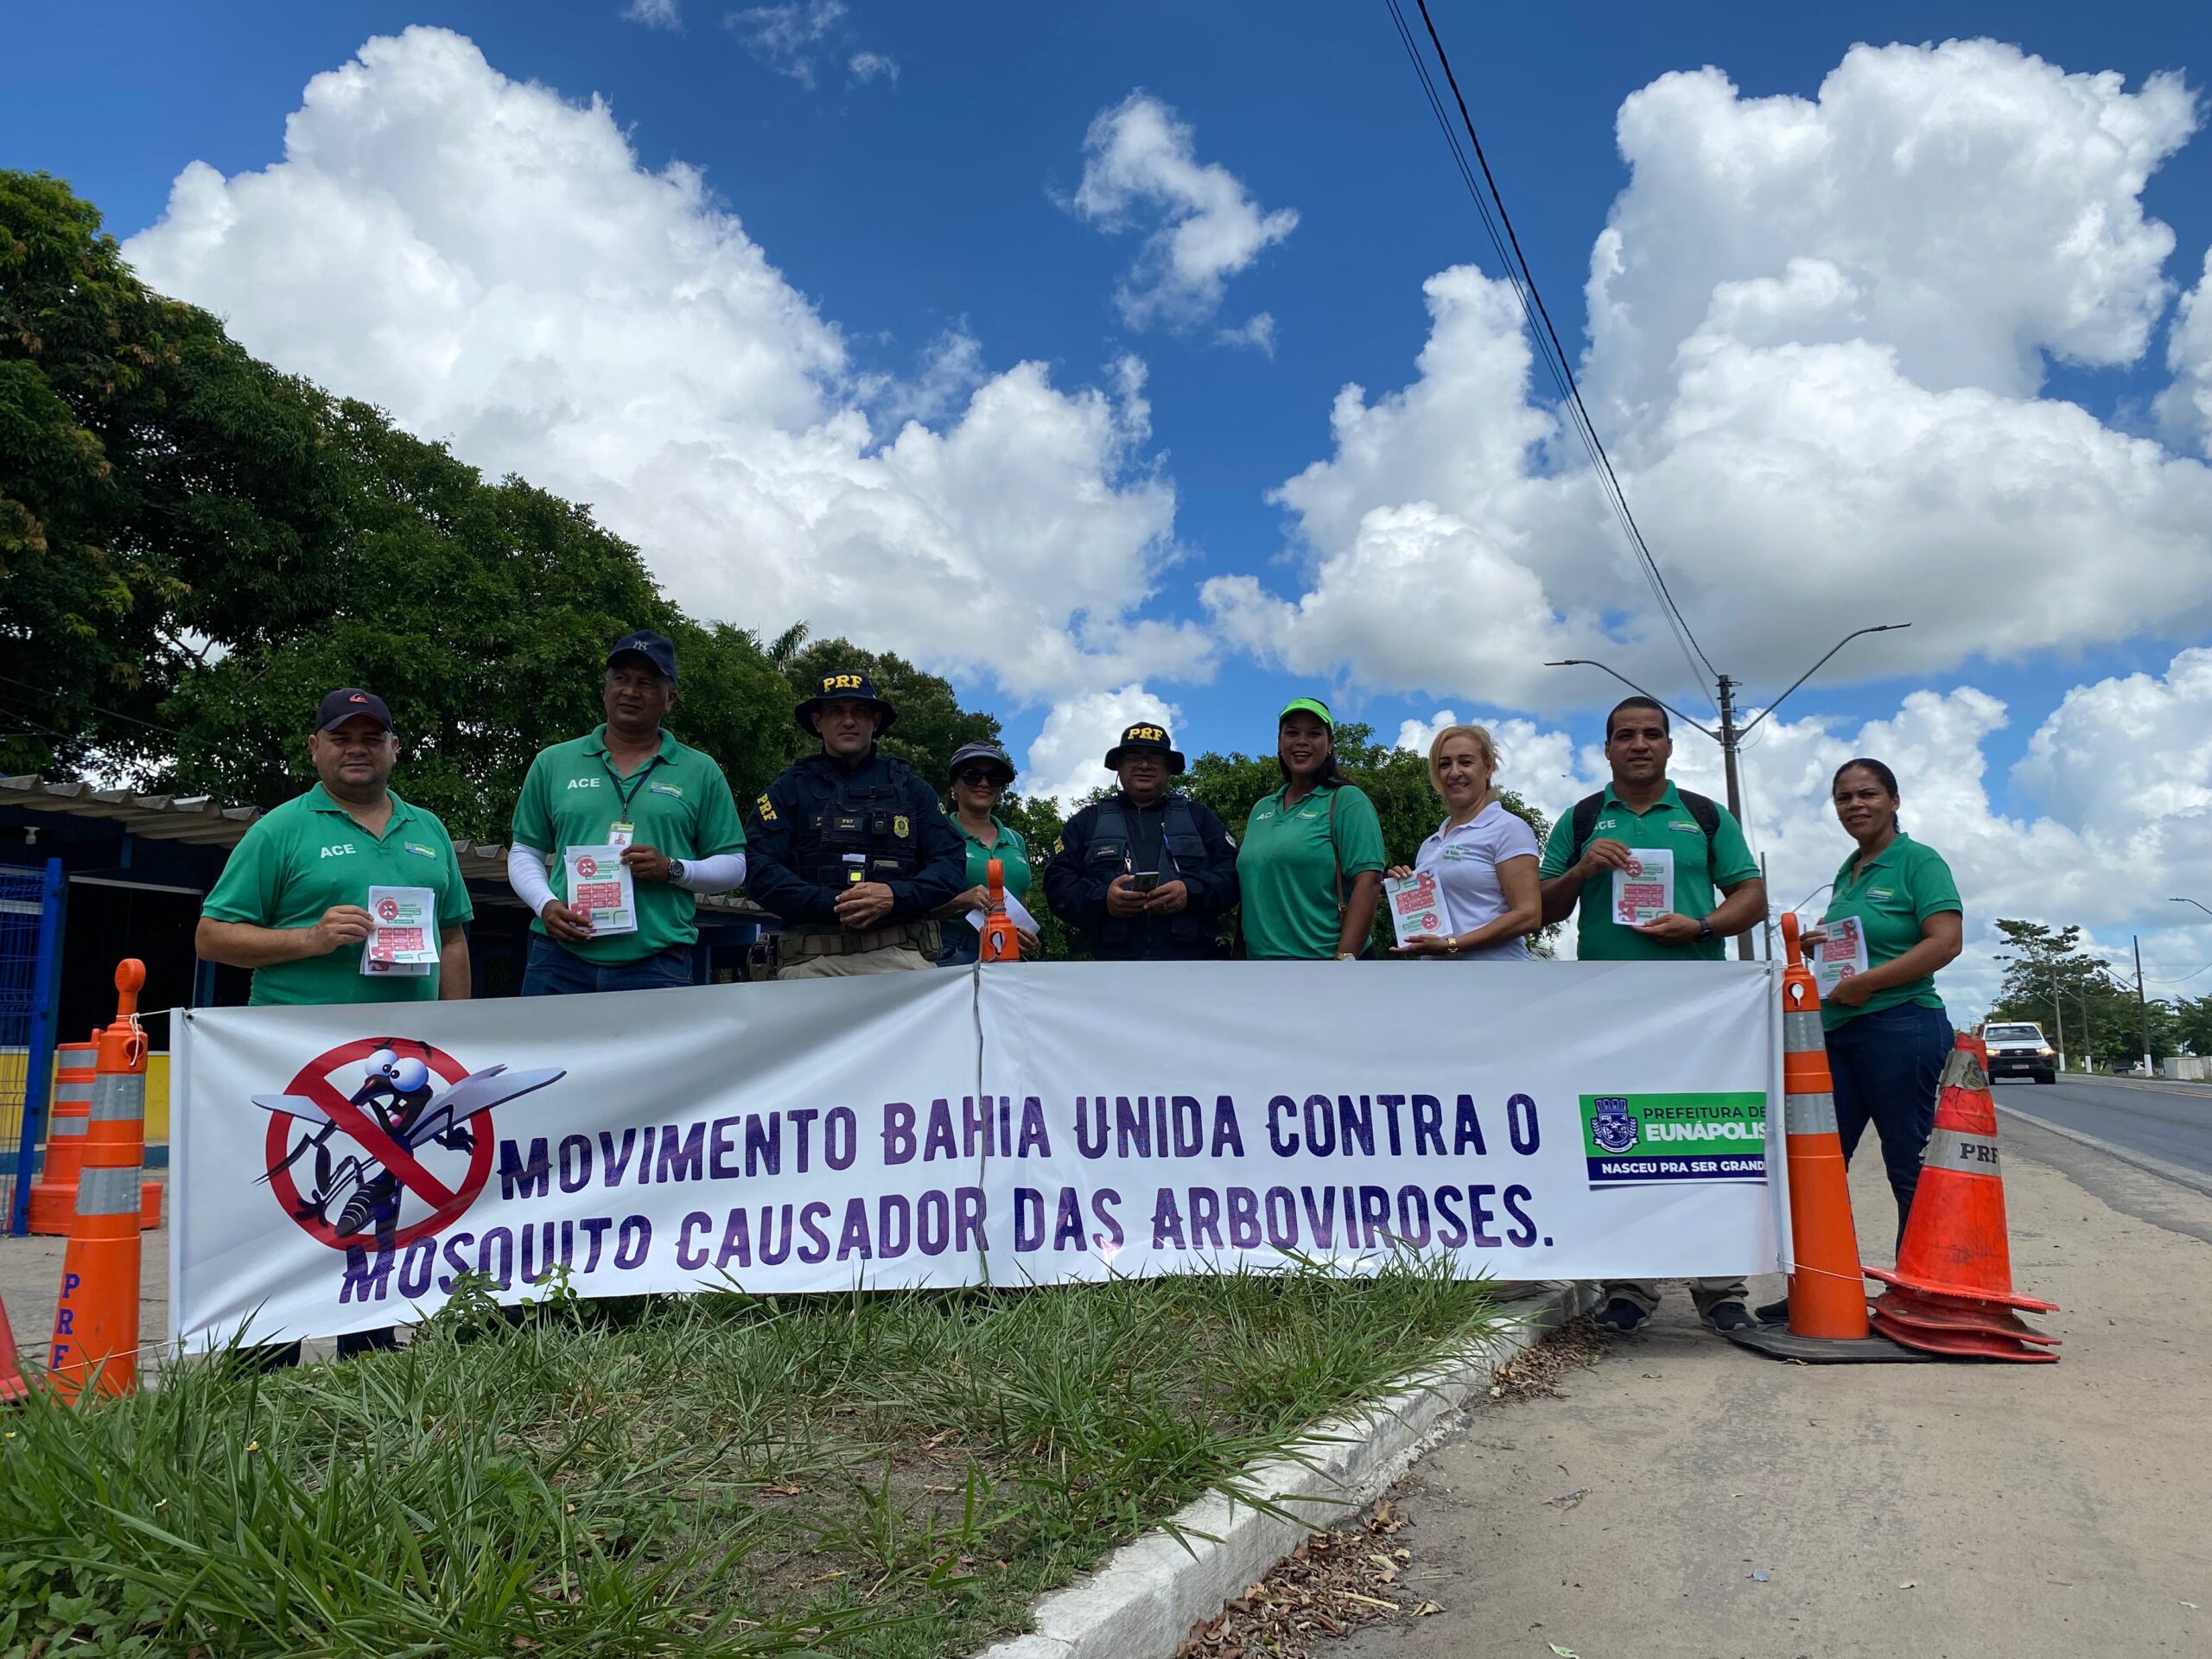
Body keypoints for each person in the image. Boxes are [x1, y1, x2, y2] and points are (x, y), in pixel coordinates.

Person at [195, 686, 471, 1362]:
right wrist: (309, 941)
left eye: (371, 737)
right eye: (342, 737)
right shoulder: (281, 830)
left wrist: (459, 1038)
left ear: (394, 749)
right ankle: (262, 1365)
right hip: (298, 1062)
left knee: (382, 1200)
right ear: (315, 747)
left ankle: (371, 1354)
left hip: (397, 1066)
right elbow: (210, 935)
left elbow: (455, 938)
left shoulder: (429, 831)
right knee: (289, 1208)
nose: (357, 749)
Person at [1537, 695, 1768, 1336]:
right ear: (1607, 749)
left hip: (1698, 1008)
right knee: (1616, 1141)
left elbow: (1751, 895)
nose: (1639, 744)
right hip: (1607, 1007)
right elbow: (1544, 909)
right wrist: (1583, 867)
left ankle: (1721, 1289)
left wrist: (1701, 925)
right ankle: (1628, 1288)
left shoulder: (1703, 816)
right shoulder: (1582, 818)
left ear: (1668, 745)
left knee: (1713, 1139)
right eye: (1625, 736)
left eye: (1651, 734)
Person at [507, 631, 748, 995]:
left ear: (670, 699)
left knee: (664, 1057)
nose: (631, 692)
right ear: (605, 691)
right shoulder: (553, 762)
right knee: (545, 1055)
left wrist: (674, 869)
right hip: (559, 960)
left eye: (646, 683)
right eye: (620, 680)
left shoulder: (701, 770)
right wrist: (546, 905)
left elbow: (734, 864)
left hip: (657, 963)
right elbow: (525, 851)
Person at [1806, 758, 1964, 1242]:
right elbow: (1867, 941)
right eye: (1844, 797)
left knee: (1907, 1164)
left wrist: (1869, 982)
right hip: (1839, 1031)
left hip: (1902, 1026)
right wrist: (1823, 945)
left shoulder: (1919, 861)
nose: (1855, 805)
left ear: (1894, 801)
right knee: (1821, 1164)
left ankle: (1917, 1298)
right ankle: (1826, 1293)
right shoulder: (1847, 872)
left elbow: (1946, 941)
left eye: (1868, 794)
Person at [747, 670, 965, 976]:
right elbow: (759, 869)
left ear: (875, 721)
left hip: (899, 958)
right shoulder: (787, 791)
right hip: (811, 962)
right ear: (817, 721)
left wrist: (894, 896)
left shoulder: (913, 789)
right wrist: (837, 903)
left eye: (859, 711)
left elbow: (951, 865)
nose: (848, 721)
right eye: (836, 710)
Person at [1042, 722, 1239, 960]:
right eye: (1133, 757)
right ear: (1119, 767)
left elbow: (1234, 874)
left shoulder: (1200, 817)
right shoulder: (1087, 821)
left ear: (1169, 769)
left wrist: (1191, 892)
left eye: (1155, 757)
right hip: (1109, 971)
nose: (1144, 765)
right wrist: (1103, 899)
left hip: (1193, 969)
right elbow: (1057, 884)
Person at [1236, 697, 1385, 960]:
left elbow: (1369, 881)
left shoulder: (1347, 800)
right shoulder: (1261, 809)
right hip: (1260, 971)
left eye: (1314, 733)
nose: (1301, 741)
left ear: (1329, 744)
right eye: (1292, 733)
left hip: (1324, 966)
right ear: (1279, 743)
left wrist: (1344, 961)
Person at [1385, 724, 1541, 960]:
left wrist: (1452, 944)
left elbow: (1528, 914)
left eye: (1466, 762)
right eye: (1444, 764)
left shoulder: (1507, 828)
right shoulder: (1430, 845)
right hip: (1440, 983)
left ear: (1488, 767)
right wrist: (1404, 888)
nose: (1454, 772)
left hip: (1497, 980)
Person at [936, 742, 1039, 965]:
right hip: (952, 952)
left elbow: (1021, 904)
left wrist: (1025, 937)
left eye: (995, 778)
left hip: (1007, 953)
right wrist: (958, 902)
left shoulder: (1015, 840)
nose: (984, 783)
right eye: (973, 776)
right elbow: (915, 911)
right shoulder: (936, 835)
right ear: (954, 784)